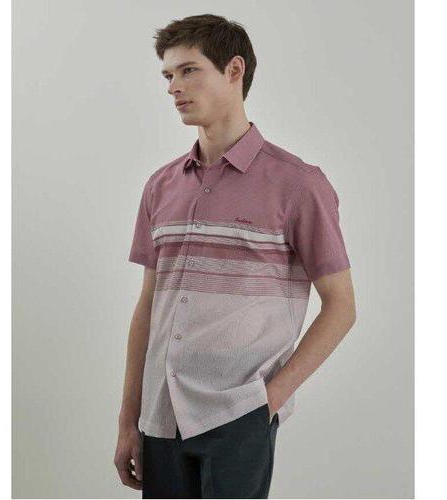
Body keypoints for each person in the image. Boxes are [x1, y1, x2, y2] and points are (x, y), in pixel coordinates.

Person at [114, 13, 356, 499]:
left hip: (239, 413)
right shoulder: (160, 186)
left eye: (189, 70)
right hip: (160, 417)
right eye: (168, 75)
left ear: (234, 70)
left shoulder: (297, 184)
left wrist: (271, 398)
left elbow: (342, 306)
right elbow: (148, 306)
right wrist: (128, 419)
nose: (174, 87)